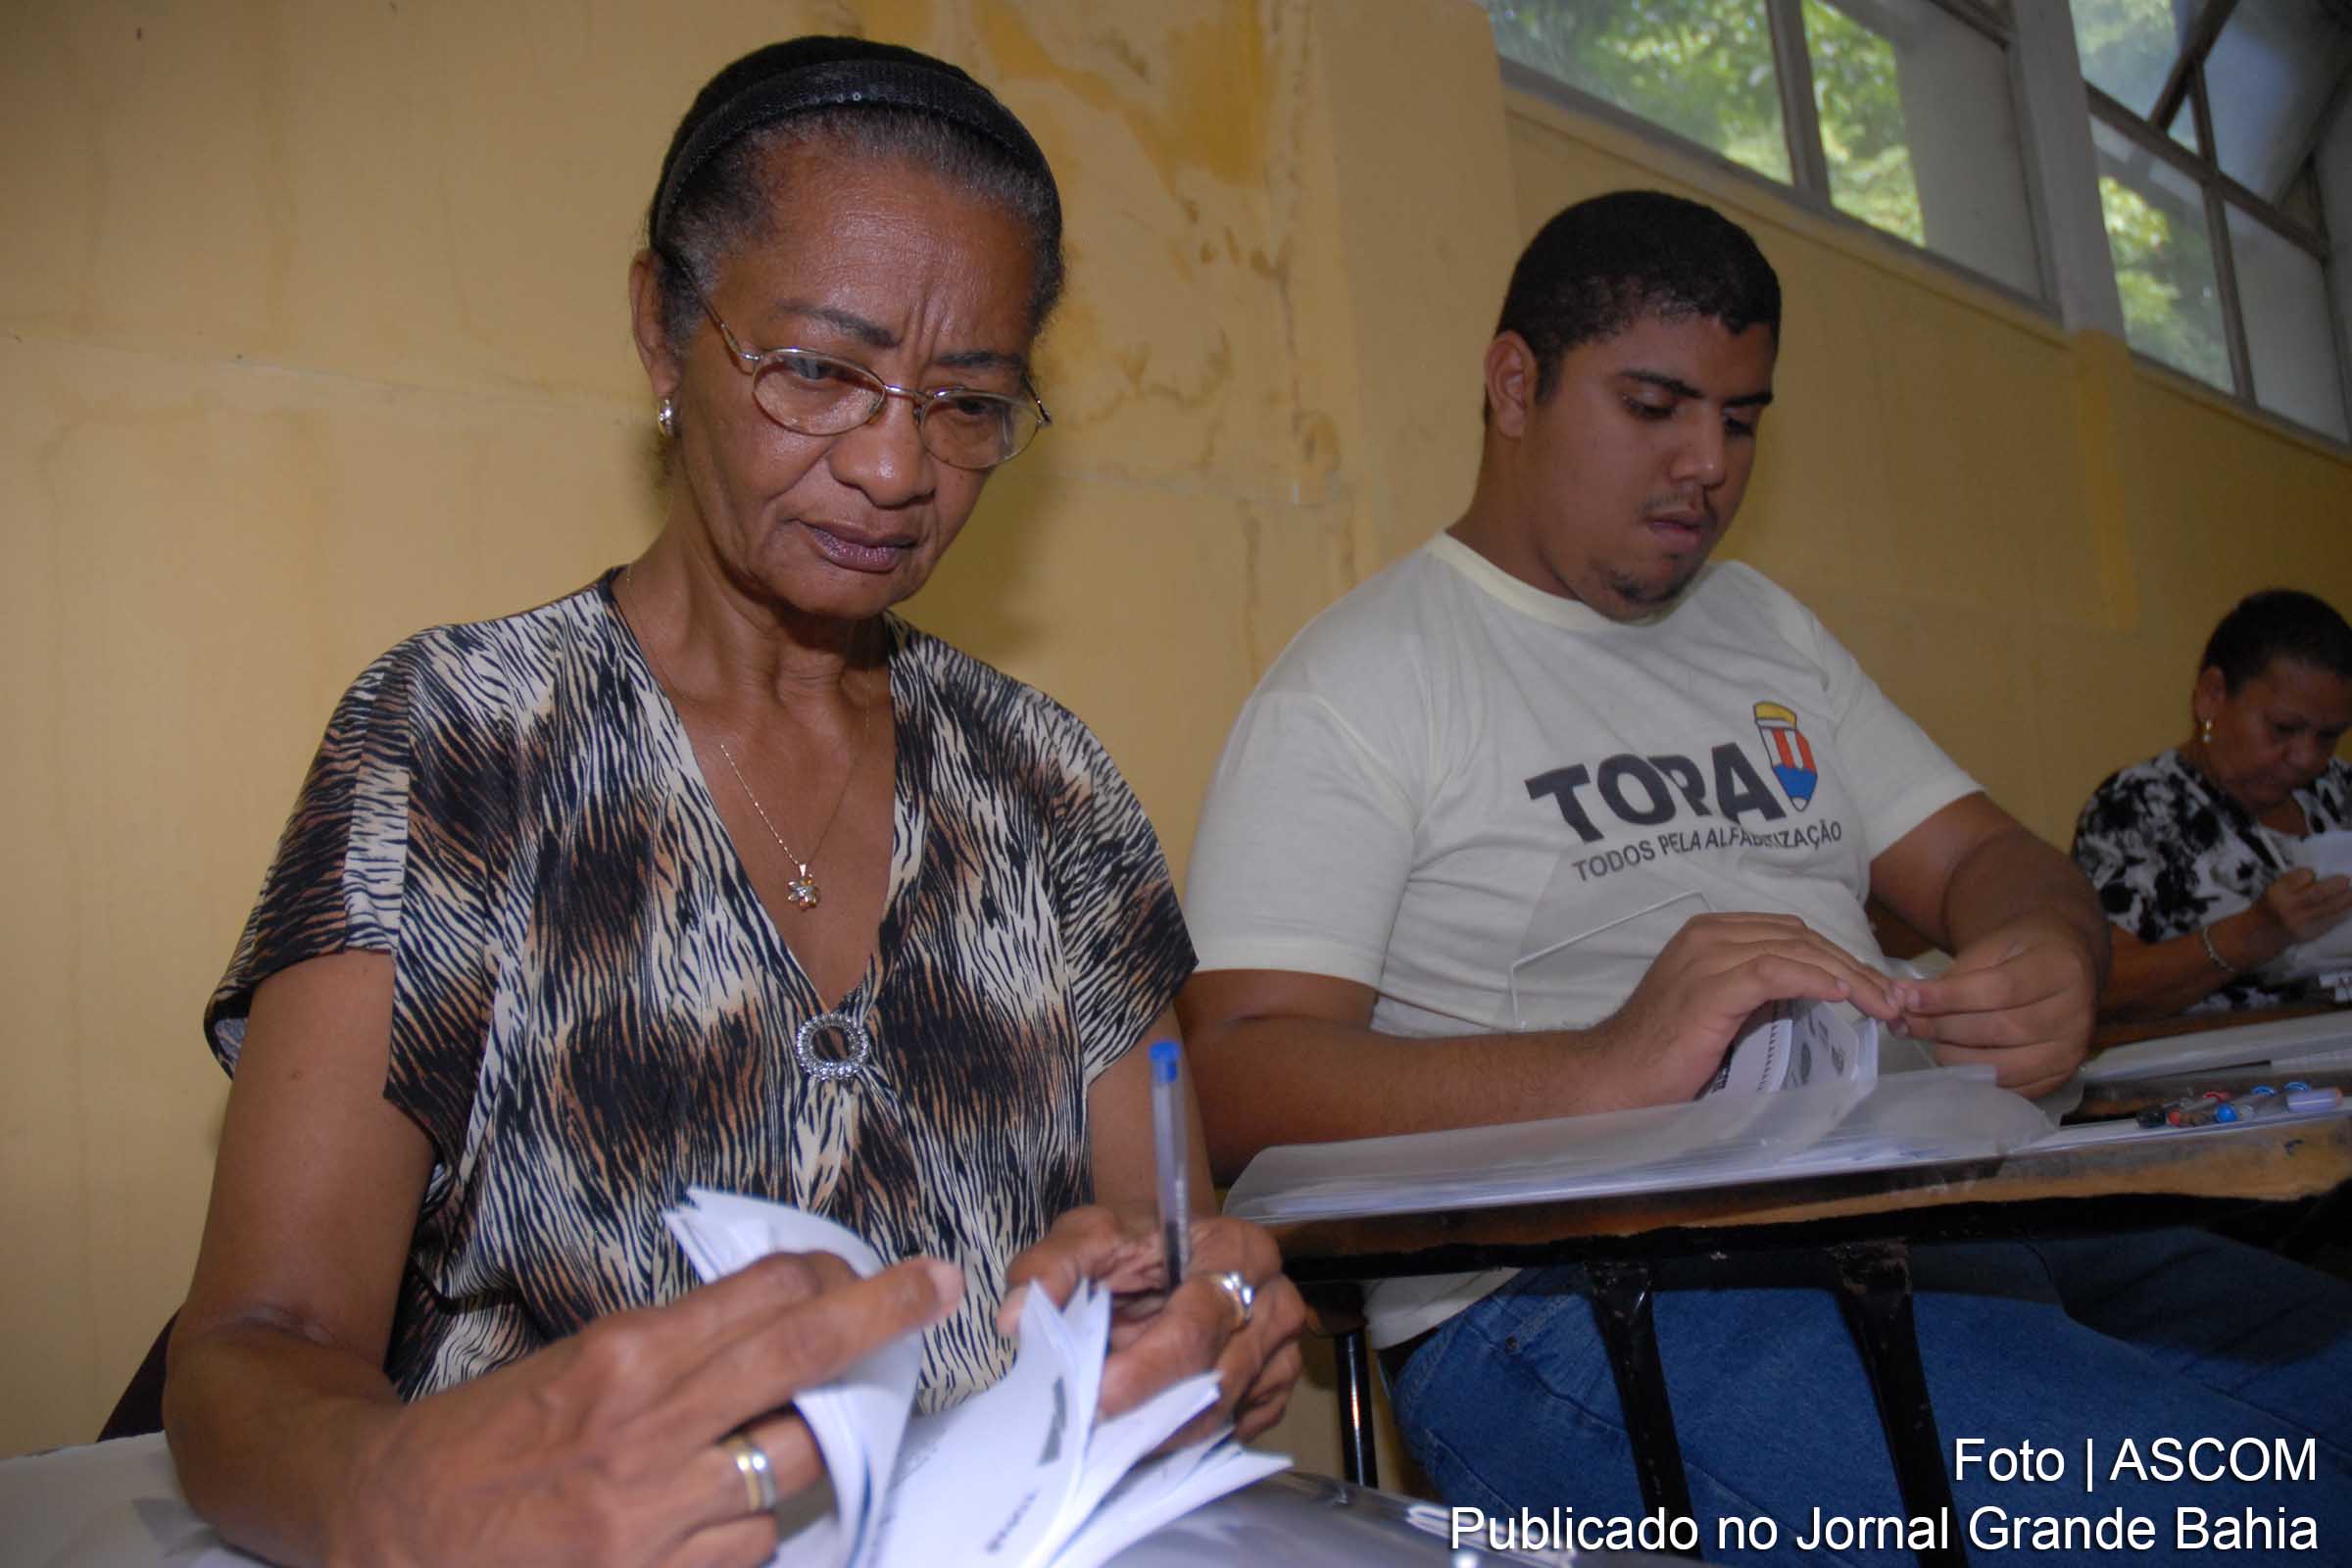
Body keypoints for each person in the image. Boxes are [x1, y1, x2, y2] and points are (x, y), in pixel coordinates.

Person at [161, 37, 1301, 1567]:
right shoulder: (463, 744)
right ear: (662, 326)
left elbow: (1164, 1239)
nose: (898, 466)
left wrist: (1195, 1321)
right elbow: (252, 1346)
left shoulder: (1051, 786)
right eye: (819, 371)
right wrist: (398, 1495)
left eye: (968, 403)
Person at [1179, 191, 2352, 1558]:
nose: (1707, 467)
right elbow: (1240, 1078)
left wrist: (2048, 949)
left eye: (1741, 420)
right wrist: (1607, 1065)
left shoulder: (1761, 630)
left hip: (1908, 1216)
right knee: (2236, 1519)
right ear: (1514, 384)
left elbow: (1985, 858)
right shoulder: (1367, 681)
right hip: (1569, 1295)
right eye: (1655, 405)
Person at [2073, 590, 2352, 1018]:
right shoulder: (2138, 808)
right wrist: (2253, 935)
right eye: (2283, 729)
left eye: (2328, 736)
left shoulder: (2339, 789)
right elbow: (2100, 984)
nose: (2306, 758)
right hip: (2206, 1073)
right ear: (2212, 695)